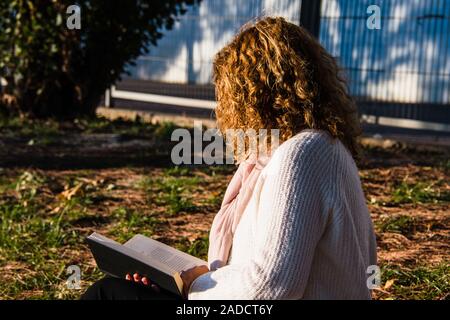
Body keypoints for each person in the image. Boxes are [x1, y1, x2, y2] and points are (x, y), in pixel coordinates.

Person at [81, 16, 377, 300]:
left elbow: (272, 285)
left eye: (227, 94)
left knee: (108, 294)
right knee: (126, 291)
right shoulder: (319, 148)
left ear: (251, 95)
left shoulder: (301, 155)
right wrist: (179, 282)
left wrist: (195, 283)